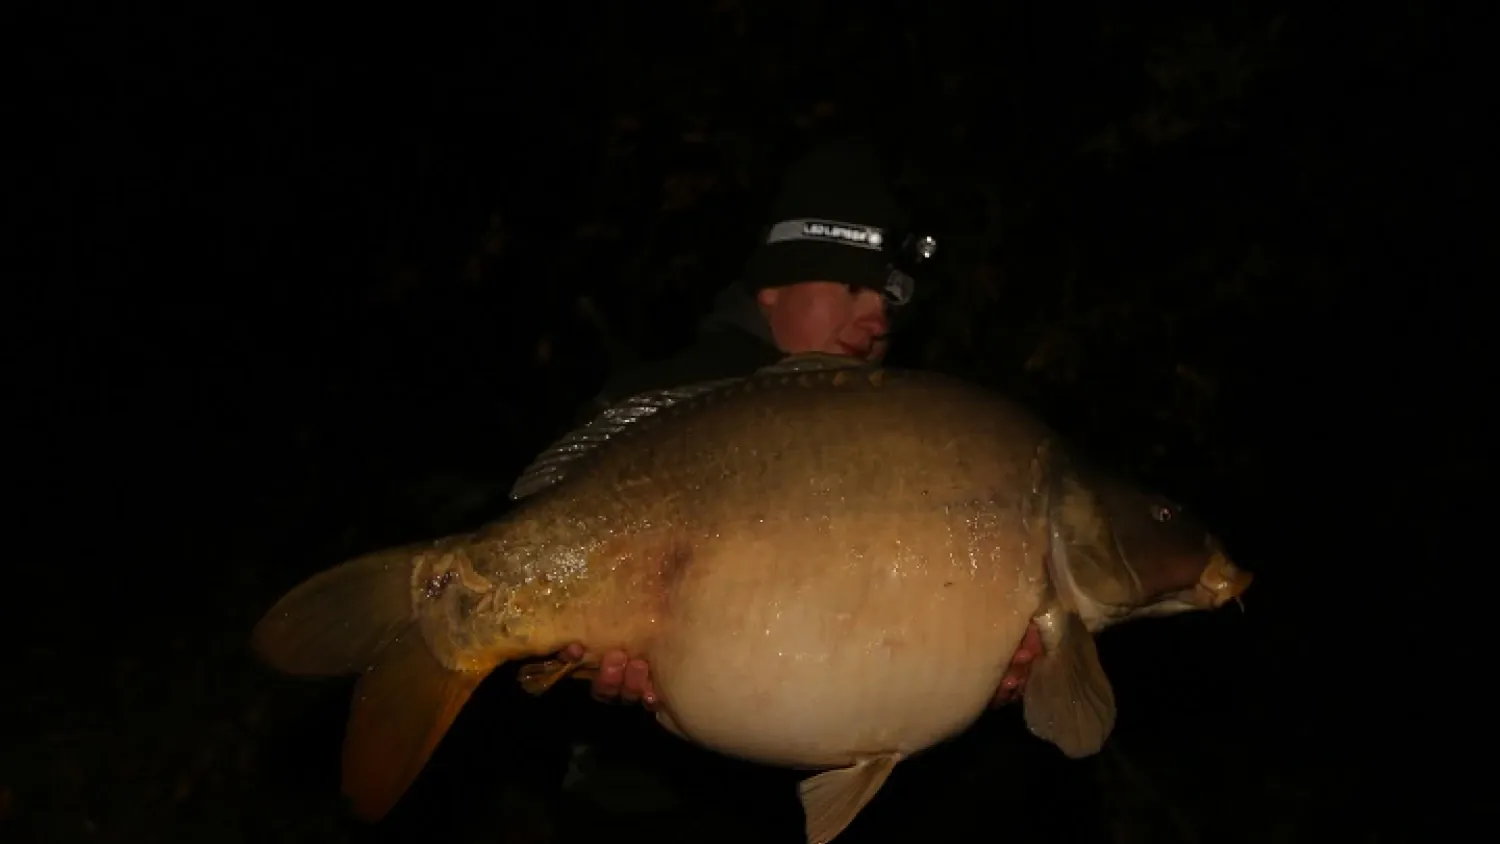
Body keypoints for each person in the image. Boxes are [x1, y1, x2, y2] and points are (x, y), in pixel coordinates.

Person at [535, 141, 1045, 833]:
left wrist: (978, 667)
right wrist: (595, 682)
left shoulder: (898, 433)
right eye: (853, 287)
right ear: (772, 284)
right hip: (644, 806)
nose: (878, 317)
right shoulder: (665, 400)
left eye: (891, 300)